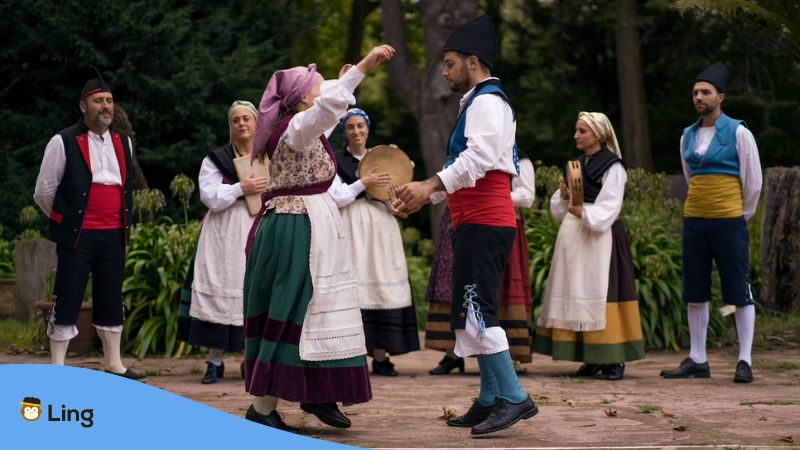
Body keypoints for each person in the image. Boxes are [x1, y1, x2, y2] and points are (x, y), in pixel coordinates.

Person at [393, 16, 537, 435]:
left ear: (473, 62)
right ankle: (491, 397)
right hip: (476, 219)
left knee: (478, 311)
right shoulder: (479, 102)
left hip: (487, 221)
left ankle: (514, 397)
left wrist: (429, 186)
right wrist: (426, 195)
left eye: (450, 63)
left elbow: (475, 163)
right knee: (473, 310)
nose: (444, 71)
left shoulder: (488, 103)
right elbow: (470, 168)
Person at [241, 44, 395, 432]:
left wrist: (346, 78)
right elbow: (326, 112)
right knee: (296, 307)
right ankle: (262, 408)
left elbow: (328, 111)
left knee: (320, 306)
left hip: (311, 223)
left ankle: (318, 392)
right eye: (316, 85)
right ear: (302, 97)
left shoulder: (304, 128)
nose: (322, 89)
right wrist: (363, 67)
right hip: (296, 226)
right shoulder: (294, 128)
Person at [33, 67, 143, 380]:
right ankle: (58, 368)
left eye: (109, 100)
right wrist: (65, 221)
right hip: (78, 236)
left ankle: (114, 363)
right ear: (83, 106)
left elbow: (124, 188)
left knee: (111, 296)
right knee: (67, 296)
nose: (105, 106)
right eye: (98, 101)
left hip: (113, 235)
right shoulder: (63, 141)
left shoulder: (125, 142)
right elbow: (44, 191)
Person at [660, 62, 762, 384]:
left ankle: (744, 360)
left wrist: (737, 213)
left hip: (729, 221)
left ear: (721, 97)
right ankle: (698, 358)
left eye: (705, 92)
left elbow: (753, 182)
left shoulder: (739, 133)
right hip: (695, 221)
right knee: (696, 289)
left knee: (738, 289)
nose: (699, 97)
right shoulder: (686, 136)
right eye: (695, 93)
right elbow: (692, 178)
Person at [533, 112, 645, 380]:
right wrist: (563, 197)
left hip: (600, 237)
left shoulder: (613, 166)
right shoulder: (576, 165)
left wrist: (582, 211)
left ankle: (613, 358)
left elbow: (609, 206)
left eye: (582, 131)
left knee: (604, 293)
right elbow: (561, 211)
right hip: (574, 237)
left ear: (598, 134)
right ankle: (590, 356)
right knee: (577, 293)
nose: (576, 135)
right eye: (576, 130)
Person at [177, 101, 266, 384]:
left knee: (251, 291)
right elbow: (210, 197)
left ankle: (248, 360)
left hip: (257, 227)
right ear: (231, 126)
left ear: (256, 123)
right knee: (222, 287)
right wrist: (242, 187)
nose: (242, 124)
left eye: (247, 119)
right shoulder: (216, 159)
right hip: (224, 232)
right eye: (236, 120)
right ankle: (214, 361)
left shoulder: (266, 156)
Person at [327, 108, 420, 377]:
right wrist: (362, 181)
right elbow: (336, 197)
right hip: (351, 224)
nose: (356, 131)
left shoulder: (382, 157)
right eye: (350, 127)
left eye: (360, 126)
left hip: (381, 226)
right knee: (354, 285)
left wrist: (396, 203)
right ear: (344, 131)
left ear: (368, 129)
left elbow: (390, 199)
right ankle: (351, 356)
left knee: (382, 281)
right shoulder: (335, 161)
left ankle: (381, 355)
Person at [426, 152, 535, 375]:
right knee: (455, 287)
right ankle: (453, 352)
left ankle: (504, 360)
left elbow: (526, 196)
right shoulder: (461, 154)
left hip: (494, 218)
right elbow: (448, 181)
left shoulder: (516, 158)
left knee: (490, 293)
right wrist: (422, 194)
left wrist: (490, 195)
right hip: (460, 220)